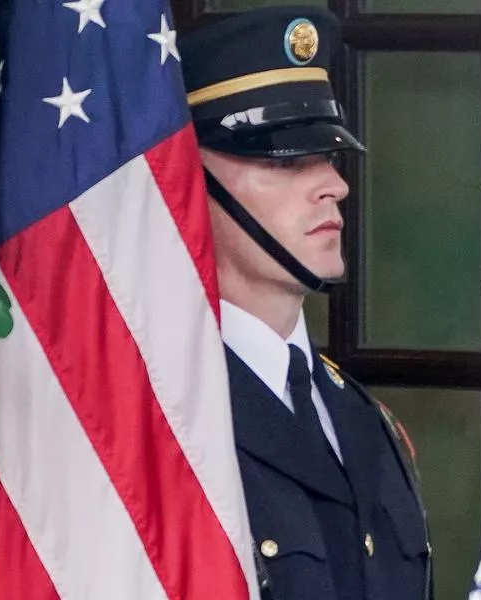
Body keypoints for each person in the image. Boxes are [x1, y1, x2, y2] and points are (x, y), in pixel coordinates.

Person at [178, 7, 432, 600]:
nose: (335, 186)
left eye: (327, 158)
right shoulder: (166, 416)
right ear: (189, 180)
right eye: (287, 161)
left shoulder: (365, 419)